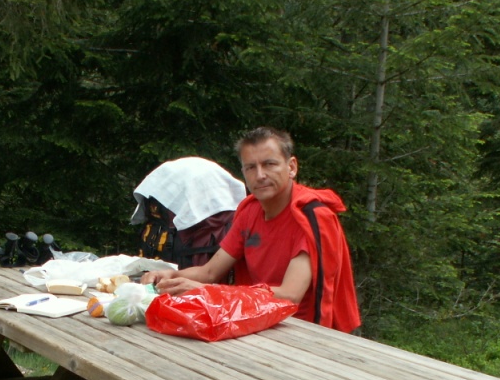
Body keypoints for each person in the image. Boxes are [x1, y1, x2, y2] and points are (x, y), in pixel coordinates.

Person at [141, 127, 360, 333]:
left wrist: (206, 291)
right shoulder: (249, 210)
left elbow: (290, 295)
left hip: (303, 330)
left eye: (269, 164)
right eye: (251, 167)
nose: (260, 175)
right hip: (258, 319)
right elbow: (209, 272)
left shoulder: (310, 216)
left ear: (292, 167)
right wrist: (170, 275)